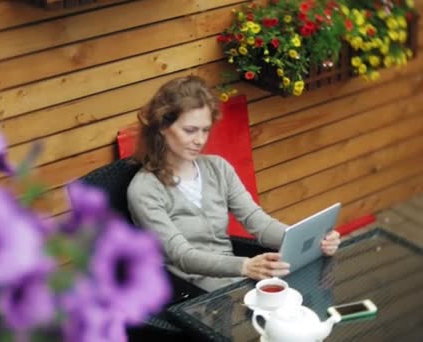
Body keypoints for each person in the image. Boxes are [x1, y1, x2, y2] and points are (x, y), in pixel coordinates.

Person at [127, 76, 340, 291]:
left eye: (205, 130)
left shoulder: (218, 168)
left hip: (234, 284)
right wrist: (245, 266)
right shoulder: (144, 190)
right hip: (190, 294)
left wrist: (313, 240)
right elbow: (182, 256)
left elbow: (257, 222)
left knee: (312, 290)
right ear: (163, 127)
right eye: (190, 130)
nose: (200, 140)